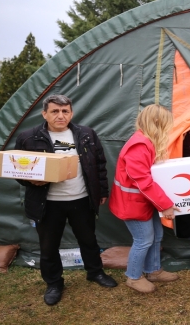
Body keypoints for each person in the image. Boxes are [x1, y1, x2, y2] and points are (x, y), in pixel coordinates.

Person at [14, 94, 117, 306]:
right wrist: (32, 182)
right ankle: (54, 283)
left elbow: (99, 164)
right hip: (48, 203)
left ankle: (95, 272)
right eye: (55, 111)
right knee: (49, 246)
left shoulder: (86, 134)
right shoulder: (28, 137)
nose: (60, 115)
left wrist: (101, 191)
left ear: (71, 113)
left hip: (82, 199)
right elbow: (18, 170)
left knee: (88, 240)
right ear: (44, 114)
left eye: (65, 111)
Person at [109, 104, 181, 293]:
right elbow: (143, 182)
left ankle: (153, 270)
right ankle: (133, 277)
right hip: (133, 205)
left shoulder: (145, 141)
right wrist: (165, 205)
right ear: (157, 124)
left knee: (156, 236)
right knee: (143, 240)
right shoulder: (139, 145)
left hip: (144, 202)